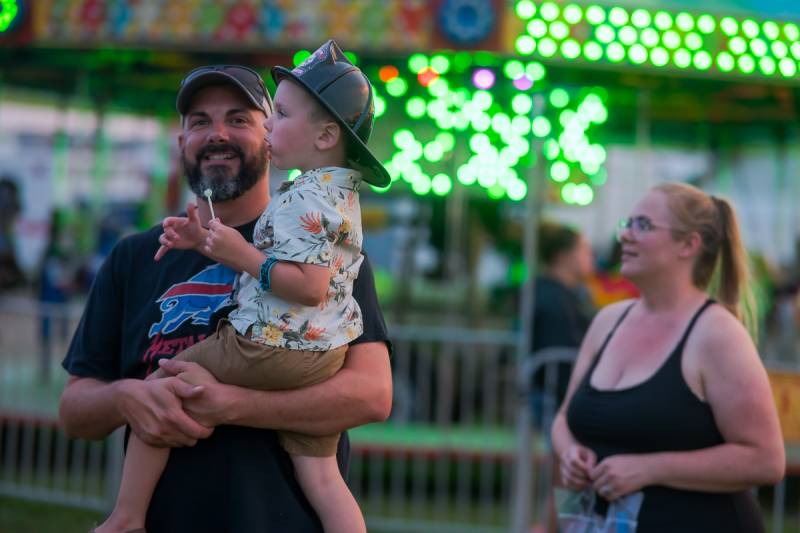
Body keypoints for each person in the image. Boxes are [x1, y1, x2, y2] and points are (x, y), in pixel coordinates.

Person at [59, 61, 392, 533]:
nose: (218, 134)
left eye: (239, 118)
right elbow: (75, 411)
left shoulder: (321, 248)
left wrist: (231, 403)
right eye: (200, 122)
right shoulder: (133, 257)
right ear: (181, 143)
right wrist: (128, 397)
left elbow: (373, 397)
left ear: (269, 134)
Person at [551, 182, 785, 532]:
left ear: (689, 244)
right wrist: (570, 452)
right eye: (626, 224)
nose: (625, 236)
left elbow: (765, 460)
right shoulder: (608, 321)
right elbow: (565, 417)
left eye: (642, 225)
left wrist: (651, 468)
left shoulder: (716, 334)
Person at [529, 221, 594, 428]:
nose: (590, 256)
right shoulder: (553, 299)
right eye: (584, 250)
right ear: (564, 256)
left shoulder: (563, 294)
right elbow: (560, 354)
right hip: (558, 398)